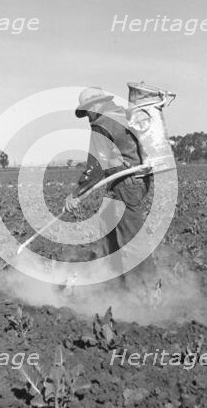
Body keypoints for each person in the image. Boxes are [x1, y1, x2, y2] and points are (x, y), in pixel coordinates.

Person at [65, 87, 156, 288]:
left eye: (87, 111)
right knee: (107, 226)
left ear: (95, 106)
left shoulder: (102, 123)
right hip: (134, 182)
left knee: (131, 239)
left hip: (125, 184)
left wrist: (75, 195)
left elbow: (95, 166)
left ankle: (148, 291)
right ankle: (114, 283)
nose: (87, 117)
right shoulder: (123, 115)